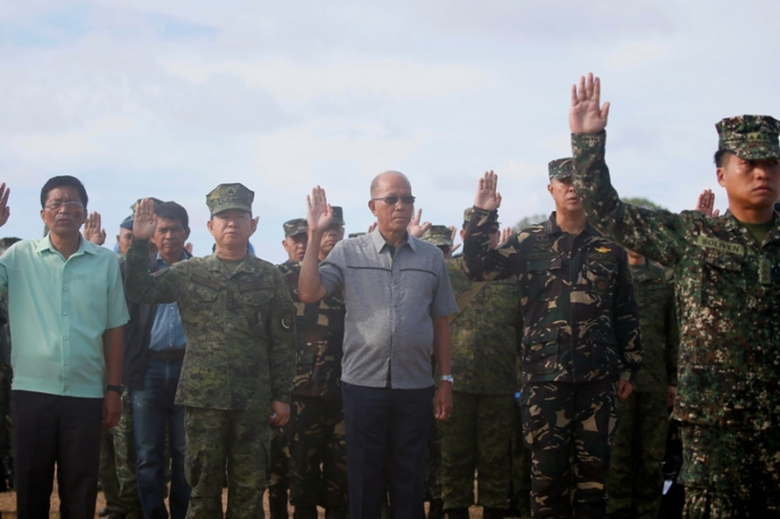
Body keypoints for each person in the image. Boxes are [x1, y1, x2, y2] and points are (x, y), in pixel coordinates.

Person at [569, 72, 780, 517]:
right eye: (750, 163)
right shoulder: (692, 236)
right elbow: (608, 210)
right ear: (722, 175)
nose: (763, 173)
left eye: (772, 164)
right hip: (713, 426)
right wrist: (589, 142)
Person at [463, 162, 642, 518]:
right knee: (546, 481)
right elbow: (478, 267)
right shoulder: (530, 242)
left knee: (594, 482)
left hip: (598, 380)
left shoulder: (610, 249)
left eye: (580, 181)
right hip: (545, 380)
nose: (573, 188)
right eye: (565, 182)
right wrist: (483, 214)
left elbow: (625, 312)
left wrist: (630, 368)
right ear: (552, 189)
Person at [124, 184, 296, 518]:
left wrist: (282, 395)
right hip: (204, 401)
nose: (232, 223)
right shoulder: (190, 272)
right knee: (201, 490)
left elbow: (282, 342)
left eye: (240, 216)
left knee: (249, 492)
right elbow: (140, 290)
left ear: (253, 223)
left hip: (253, 401)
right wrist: (140, 243)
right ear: (210, 226)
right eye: (224, 217)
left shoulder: (270, 276)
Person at [298, 172, 458, 519]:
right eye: (392, 199)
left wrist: (445, 380)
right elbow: (309, 292)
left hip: (415, 386)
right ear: (373, 207)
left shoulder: (431, 259)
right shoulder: (347, 252)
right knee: (364, 480)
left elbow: (441, 321)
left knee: (410, 480)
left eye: (407, 199)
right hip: (363, 386)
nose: (401, 206)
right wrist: (313, 236)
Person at [0, 177, 128, 517]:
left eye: (72, 203)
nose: (63, 209)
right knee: (31, 487)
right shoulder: (17, 257)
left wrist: (113, 389)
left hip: (86, 395)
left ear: (84, 213)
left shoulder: (105, 263)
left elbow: (114, 328)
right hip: (31, 391)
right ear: (43, 214)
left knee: (80, 488)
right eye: (55, 203)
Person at [439, 208, 522, 519]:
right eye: (478, 231)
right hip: (453, 385)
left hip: (499, 386)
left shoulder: (512, 276)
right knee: (454, 458)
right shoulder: (445, 272)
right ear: (464, 236)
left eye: (491, 231)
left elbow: (523, 330)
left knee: (496, 459)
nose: (485, 237)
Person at [122, 201, 192, 519]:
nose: (168, 235)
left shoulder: (199, 271)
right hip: (148, 369)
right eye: (162, 229)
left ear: (186, 232)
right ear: (152, 234)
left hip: (188, 370)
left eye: (175, 229)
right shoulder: (139, 270)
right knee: (148, 454)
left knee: (184, 453)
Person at [279, 206, 348, 519]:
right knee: (302, 474)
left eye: (337, 228)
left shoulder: (352, 274)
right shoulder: (285, 277)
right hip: (302, 390)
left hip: (346, 389)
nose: (332, 233)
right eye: (326, 228)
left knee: (342, 475)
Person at [607, 247, 678, 519]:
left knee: (651, 459)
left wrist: (673, 380)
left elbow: (673, 333)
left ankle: (648, 512)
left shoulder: (662, 279)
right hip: (618, 382)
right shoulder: (613, 276)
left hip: (655, 383)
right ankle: (618, 511)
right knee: (618, 455)